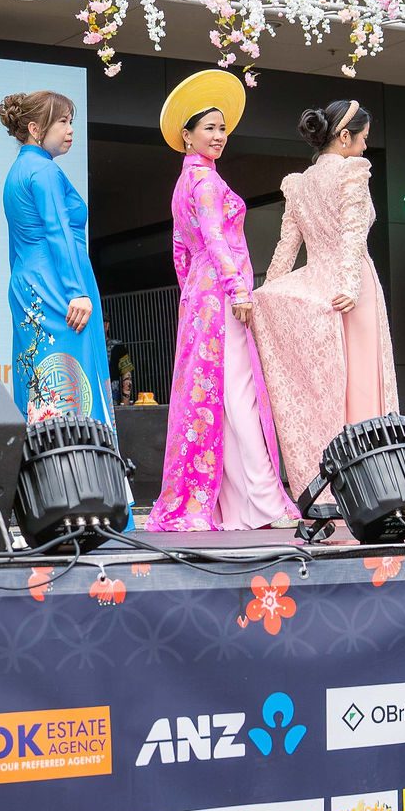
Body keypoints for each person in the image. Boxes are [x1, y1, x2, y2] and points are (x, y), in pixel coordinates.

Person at [146, 70, 294, 533]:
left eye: (222, 128)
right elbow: (214, 239)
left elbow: (179, 251)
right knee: (239, 397)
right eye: (209, 128)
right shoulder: (206, 183)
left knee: (218, 400)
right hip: (221, 296)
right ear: (186, 135)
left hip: (200, 298)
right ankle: (263, 502)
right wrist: (237, 290)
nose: (218, 136)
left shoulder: (184, 182)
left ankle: (235, 505)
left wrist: (194, 297)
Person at [252, 99, 399, 501]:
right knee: (362, 383)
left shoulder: (299, 184)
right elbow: (353, 234)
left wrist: (267, 293)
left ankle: (334, 483)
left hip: (317, 282)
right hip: (352, 287)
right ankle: (372, 483)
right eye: (363, 138)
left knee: (327, 390)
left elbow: (287, 247)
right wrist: (349, 284)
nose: (366, 146)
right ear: (345, 137)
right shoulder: (353, 173)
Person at [0, 89, 113, 426]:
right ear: (35, 129)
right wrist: (76, 290)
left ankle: (44, 456)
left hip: (28, 283)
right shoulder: (44, 171)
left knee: (38, 383)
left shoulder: (18, 170)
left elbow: (17, 244)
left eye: (71, 121)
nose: (70, 129)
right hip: (58, 284)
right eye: (62, 122)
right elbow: (58, 230)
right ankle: (79, 456)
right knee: (71, 382)